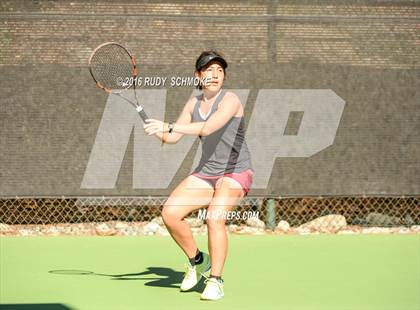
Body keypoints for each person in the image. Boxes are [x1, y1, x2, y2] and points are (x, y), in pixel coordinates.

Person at [143, 50, 254, 301]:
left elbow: (208, 127)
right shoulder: (194, 103)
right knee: (170, 214)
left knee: (214, 218)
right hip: (208, 172)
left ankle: (216, 280)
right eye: (209, 70)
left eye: (220, 70)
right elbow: (172, 138)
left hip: (236, 171)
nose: (215, 75)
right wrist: (157, 129)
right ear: (198, 75)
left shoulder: (231, 100)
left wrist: (169, 124)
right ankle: (198, 260)